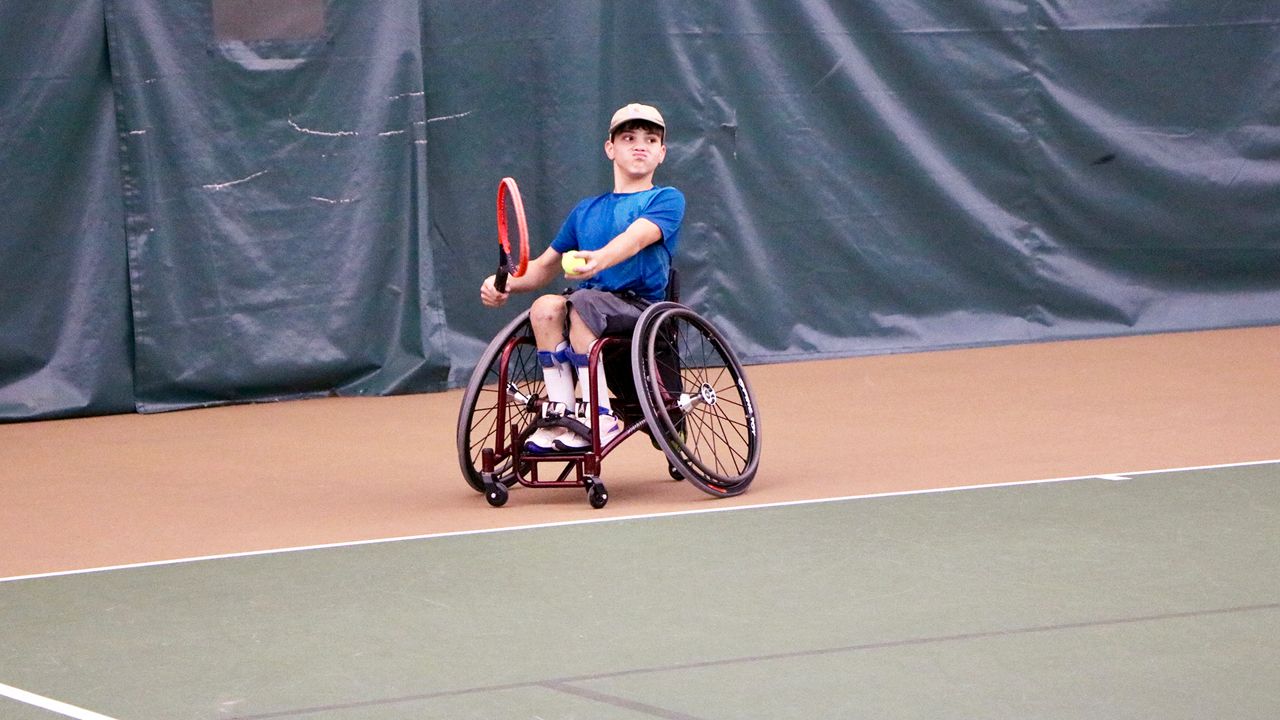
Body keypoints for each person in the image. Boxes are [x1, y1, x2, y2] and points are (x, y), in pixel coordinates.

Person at [480, 103, 685, 453]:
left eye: (651, 140)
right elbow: (544, 266)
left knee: (581, 303)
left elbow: (635, 238)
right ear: (610, 149)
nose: (640, 145)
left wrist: (600, 259)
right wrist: (506, 283)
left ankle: (600, 417)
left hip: (641, 309)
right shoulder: (585, 211)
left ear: (661, 153)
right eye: (629, 138)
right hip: (588, 306)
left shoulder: (666, 199)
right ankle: (561, 413)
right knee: (545, 307)